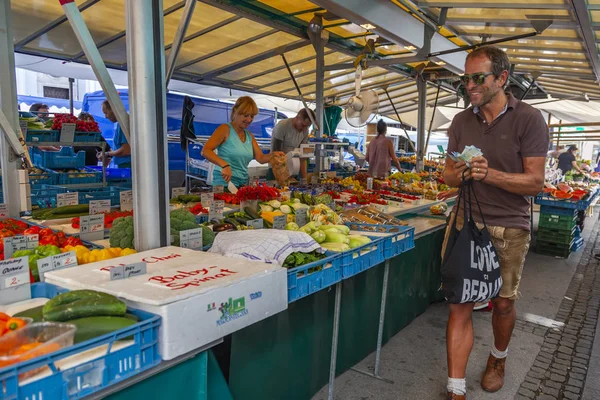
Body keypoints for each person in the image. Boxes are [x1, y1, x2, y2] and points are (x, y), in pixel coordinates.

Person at [442, 46, 548, 400]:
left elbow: (535, 182)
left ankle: (497, 360)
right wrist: (456, 173)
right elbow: (447, 178)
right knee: (461, 302)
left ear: (502, 78)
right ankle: (456, 388)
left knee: (503, 303)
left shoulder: (529, 119)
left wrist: (490, 175)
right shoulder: (460, 121)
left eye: (477, 77)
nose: (469, 85)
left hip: (510, 227)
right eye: (465, 78)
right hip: (464, 223)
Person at [202, 96, 284, 187]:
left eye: (252, 116)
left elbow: (260, 158)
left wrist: (273, 155)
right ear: (235, 112)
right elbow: (205, 151)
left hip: (242, 182)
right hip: (224, 182)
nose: (249, 120)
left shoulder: (249, 135)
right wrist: (224, 165)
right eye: (245, 116)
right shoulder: (225, 129)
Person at [270, 108, 315, 179]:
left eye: (307, 126)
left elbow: (304, 157)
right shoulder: (282, 126)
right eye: (303, 125)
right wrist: (283, 175)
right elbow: (276, 153)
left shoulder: (305, 131)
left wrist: (304, 178)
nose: (304, 128)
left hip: (293, 168)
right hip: (276, 167)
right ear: (298, 117)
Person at [99, 100, 130, 168]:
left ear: (113, 109)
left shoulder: (123, 124)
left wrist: (107, 154)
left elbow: (126, 150)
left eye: (106, 113)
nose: (105, 117)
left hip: (127, 166)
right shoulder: (122, 123)